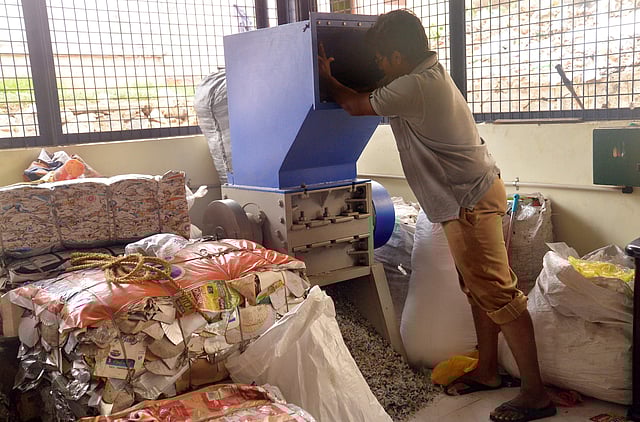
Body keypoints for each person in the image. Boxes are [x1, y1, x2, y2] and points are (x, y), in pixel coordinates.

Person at [318, 9, 556, 422]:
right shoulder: (425, 76)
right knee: (478, 290)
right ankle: (486, 371)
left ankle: (535, 394)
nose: (379, 66)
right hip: (469, 197)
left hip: (469, 202)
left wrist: (326, 75)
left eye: (381, 58)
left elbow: (354, 105)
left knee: (499, 295)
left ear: (397, 56)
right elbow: (373, 92)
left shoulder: (416, 86)